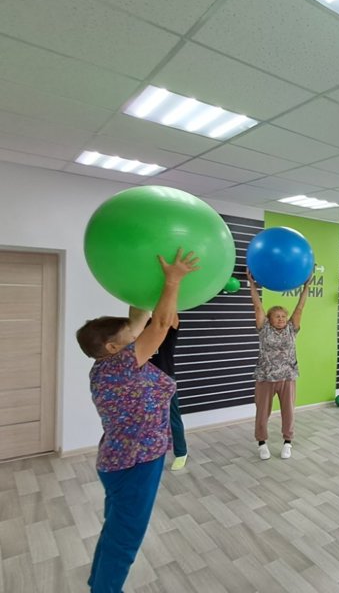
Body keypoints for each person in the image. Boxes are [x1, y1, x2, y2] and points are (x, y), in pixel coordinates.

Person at [75, 249, 199, 593]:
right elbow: (157, 325)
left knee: (115, 528)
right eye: (130, 337)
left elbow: (143, 319)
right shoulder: (123, 364)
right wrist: (173, 279)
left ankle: (97, 582)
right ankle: (105, 588)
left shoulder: (106, 367)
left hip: (119, 460)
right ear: (114, 347)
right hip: (134, 463)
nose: (136, 337)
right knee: (125, 539)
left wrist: (143, 284)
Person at [247, 270, 310, 460]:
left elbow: (300, 308)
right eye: (277, 316)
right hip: (265, 377)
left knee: (288, 412)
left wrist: (306, 286)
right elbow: (257, 306)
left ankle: (287, 442)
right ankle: (261, 443)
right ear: (269, 318)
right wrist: (251, 283)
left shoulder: (292, 328)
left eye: (283, 316)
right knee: (262, 412)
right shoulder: (264, 328)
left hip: (287, 377)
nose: (281, 319)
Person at [148, 316, 188, 471]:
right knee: (149, 419)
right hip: (144, 377)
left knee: (173, 417)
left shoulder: (168, 328)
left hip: (165, 378)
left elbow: (173, 316)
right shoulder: (142, 327)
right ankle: (153, 452)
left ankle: (181, 452)